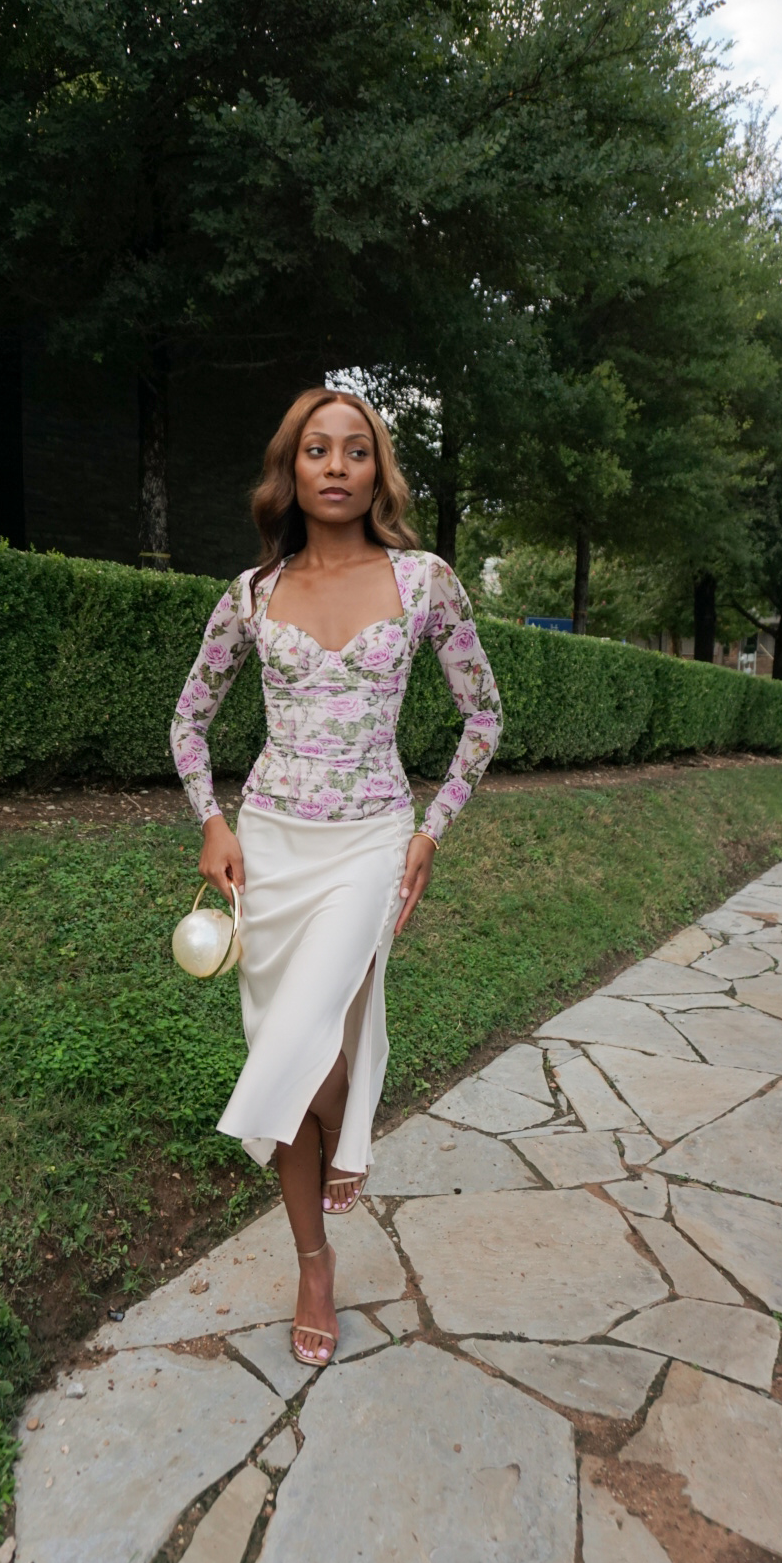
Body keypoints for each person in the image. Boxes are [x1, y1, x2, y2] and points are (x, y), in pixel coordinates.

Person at [171, 387, 502, 1365]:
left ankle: (345, 1105)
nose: (335, 465)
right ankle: (314, 1257)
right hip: (268, 847)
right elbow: (188, 720)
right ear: (292, 467)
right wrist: (211, 821)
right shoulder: (251, 594)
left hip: (369, 843)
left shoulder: (427, 580)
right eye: (316, 449)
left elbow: (483, 715)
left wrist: (432, 829)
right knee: (292, 1055)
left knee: (308, 1054)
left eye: (356, 450)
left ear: (377, 471)